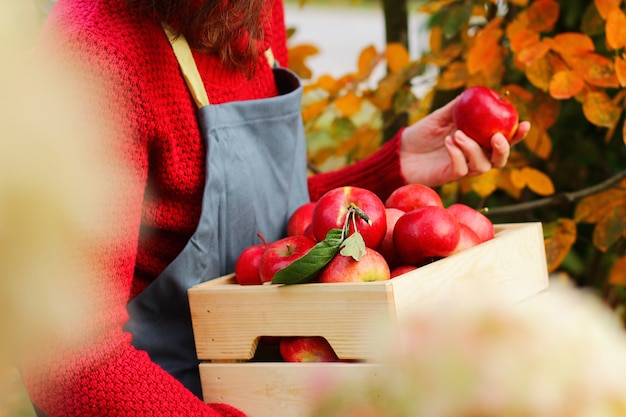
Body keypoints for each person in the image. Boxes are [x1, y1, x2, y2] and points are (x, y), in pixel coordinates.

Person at [22, 0, 530, 416]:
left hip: (283, 383)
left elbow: (255, 227)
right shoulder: (98, 48)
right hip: (173, 394)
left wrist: (393, 172)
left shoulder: (251, 11)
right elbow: (67, 358)